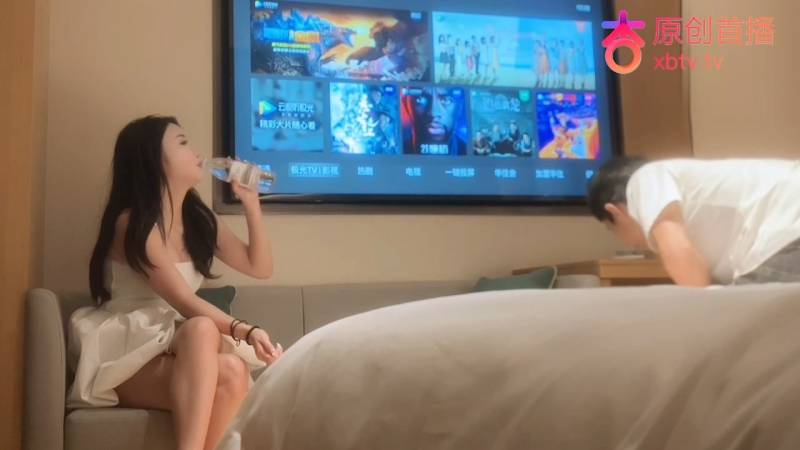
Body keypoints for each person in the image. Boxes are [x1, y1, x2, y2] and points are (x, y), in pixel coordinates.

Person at [68, 115, 284, 450]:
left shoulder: (199, 220)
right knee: (201, 328)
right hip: (126, 355)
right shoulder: (132, 223)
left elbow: (260, 267)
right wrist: (247, 330)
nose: (196, 152)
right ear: (154, 159)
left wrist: (251, 204)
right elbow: (183, 300)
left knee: (232, 368)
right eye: (182, 143)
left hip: (182, 344)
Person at [588, 157, 800, 286]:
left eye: (610, 229)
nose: (626, 242)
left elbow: (677, 246)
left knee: (740, 324)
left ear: (615, 212)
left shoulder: (642, 179)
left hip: (788, 229)